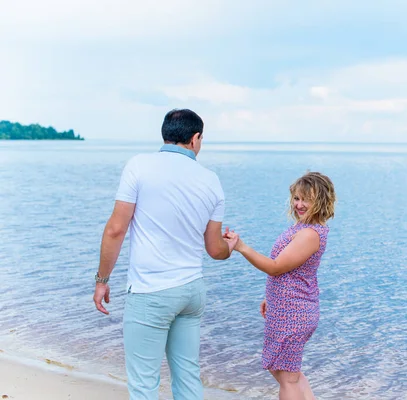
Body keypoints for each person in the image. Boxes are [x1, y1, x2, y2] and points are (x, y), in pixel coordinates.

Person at [93, 108, 237, 400]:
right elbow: (215, 250)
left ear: (165, 134)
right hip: (191, 292)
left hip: (151, 291)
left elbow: (115, 230)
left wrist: (102, 279)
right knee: (187, 378)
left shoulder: (139, 166)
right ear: (195, 139)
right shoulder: (211, 180)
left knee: (144, 384)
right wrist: (231, 246)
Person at [224, 172, 336, 400]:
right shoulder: (302, 228)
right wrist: (271, 297)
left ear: (321, 201)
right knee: (283, 370)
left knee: (288, 377)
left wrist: (241, 247)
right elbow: (291, 272)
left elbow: (276, 267)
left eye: (307, 199)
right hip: (287, 307)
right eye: (296, 198)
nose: (300, 205)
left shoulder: (309, 234)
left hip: (295, 312)